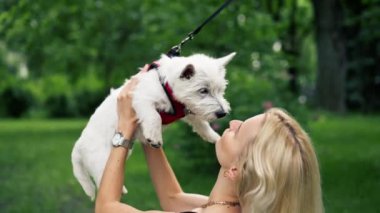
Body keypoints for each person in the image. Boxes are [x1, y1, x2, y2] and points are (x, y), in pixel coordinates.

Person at [95, 65, 324, 213]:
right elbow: (173, 199)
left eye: (239, 130)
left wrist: (124, 129)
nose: (233, 123)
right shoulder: (233, 206)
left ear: (235, 170)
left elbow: (106, 208)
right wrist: (150, 122)